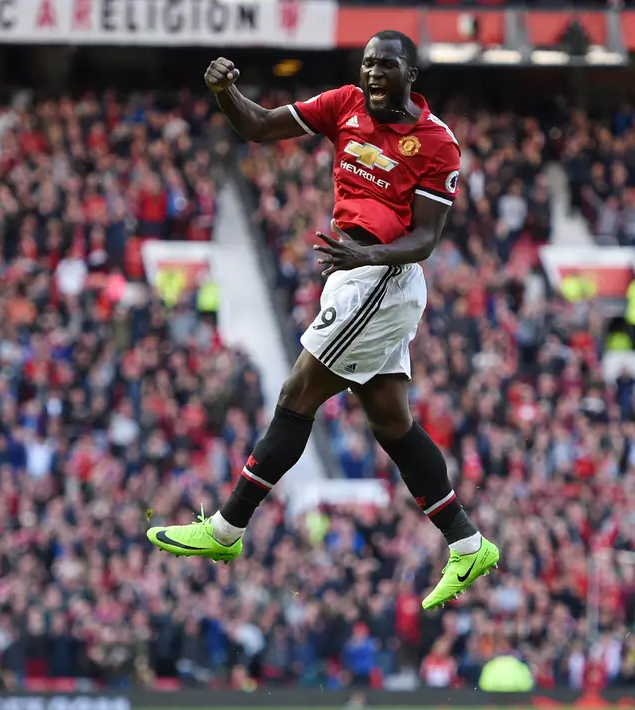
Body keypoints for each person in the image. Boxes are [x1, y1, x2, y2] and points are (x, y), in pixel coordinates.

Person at [147, 30, 499, 610]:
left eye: (385, 64)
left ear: (411, 73)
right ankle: (467, 543)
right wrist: (224, 94)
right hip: (356, 272)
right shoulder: (345, 105)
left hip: (381, 276)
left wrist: (367, 256)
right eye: (367, 64)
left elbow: (425, 240)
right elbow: (258, 126)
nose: (373, 74)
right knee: (390, 422)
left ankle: (227, 529)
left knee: (297, 394)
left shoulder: (437, 144)